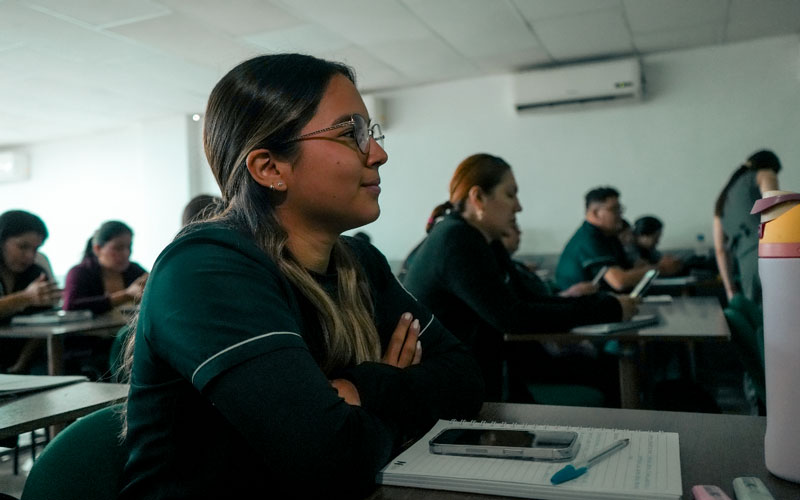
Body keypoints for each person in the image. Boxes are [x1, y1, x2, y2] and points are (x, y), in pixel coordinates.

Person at [118, 54, 483, 499]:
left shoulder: (359, 263)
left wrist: (364, 385)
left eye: (372, 132)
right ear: (270, 167)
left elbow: (465, 377)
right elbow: (334, 461)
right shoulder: (206, 269)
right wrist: (391, 396)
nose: (380, 153)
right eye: (352, 133)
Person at [402, 154, 636, 401]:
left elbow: (528, 298)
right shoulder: (457, 240)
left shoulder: (483, 240)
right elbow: (514, 317)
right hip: (447, 391)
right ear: (478, 198)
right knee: (606, 375)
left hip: (480, 373)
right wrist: (607, 309)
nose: (519, 206)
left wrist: (606, 304)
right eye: (510, 194)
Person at [555, 187, 681, 292]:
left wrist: (645, 266)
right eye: (614, 209)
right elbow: (619, 281)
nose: (620, 214)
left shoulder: (608, 236)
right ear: (595, 213)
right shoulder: (589, 239)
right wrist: (661, 268)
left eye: (620, 209)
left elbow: (629, 269)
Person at [713, 150, 781, 303]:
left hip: (746, 267)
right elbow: (775, 217)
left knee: (760, 321)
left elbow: (720, 250)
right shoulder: (765, 174)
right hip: (771, 255)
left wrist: (730, 289)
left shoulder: (721, 201)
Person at [0, 210, 62, 373]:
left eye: (36, 249)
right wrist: (26, 297)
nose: (29, 256)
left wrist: (21, 364)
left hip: (24, 358)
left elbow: (44, 326)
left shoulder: (35, 273)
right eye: (22, 247)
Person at [63, 220, 148, 315]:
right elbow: (70, 306)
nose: (126, 253)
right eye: (118, 248)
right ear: (97, 249)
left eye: (129, 247)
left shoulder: (134, 270)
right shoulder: (79, 273)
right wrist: (125, 295)